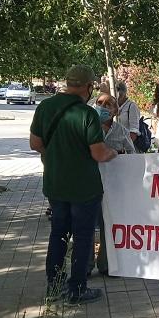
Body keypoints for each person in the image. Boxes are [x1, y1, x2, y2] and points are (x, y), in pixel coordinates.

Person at [29, 65, 117, 305]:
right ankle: (77, 289)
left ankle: (54, 286)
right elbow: (98, 154)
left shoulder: (45, 107)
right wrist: (112, 153)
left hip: (55, 184)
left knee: (58, 234)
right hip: (84, 188)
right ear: (88, 87)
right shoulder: (87, 114)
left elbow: (35, 143)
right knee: (83, 236)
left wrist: (56, 156)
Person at [88, 94, 134, 276]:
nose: (104, 107)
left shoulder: (121, 131)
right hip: (89, 184)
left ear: (116, 110)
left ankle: (107, 265)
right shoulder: (88, 129)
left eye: (108, 104)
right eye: (100, 103)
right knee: (87, 226)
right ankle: (85, 266)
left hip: (114, 188)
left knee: (109, 224)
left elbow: (132, 155)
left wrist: (119, 153)